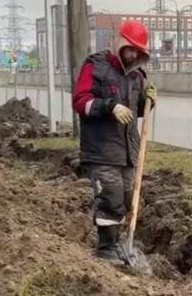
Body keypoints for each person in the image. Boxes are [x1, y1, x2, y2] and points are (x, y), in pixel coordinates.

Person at [72, 19, 156, 261]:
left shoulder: (138, 76)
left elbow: (138, 111)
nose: (132, 55)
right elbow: (80, 102)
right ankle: (106, 248)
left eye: (137, 51)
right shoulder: (95, 67)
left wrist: (149, 100)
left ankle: (121, 242)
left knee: (128, 199)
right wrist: (109, 106)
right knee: (112, 198)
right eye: (129, 49)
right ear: (118, 43)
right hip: (101, 149)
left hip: (128, 150)